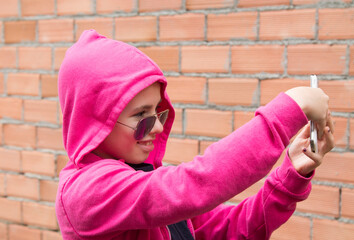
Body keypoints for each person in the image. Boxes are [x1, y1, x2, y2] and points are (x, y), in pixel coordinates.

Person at [55, 30, 335, 240]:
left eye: (158, 112)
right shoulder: (87, 192)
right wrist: (288, 110)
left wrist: (290, 176)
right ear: (95, 121)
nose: (157, 127)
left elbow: (233, 229)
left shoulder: (143, 180)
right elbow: (198, 183)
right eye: (141, 115)